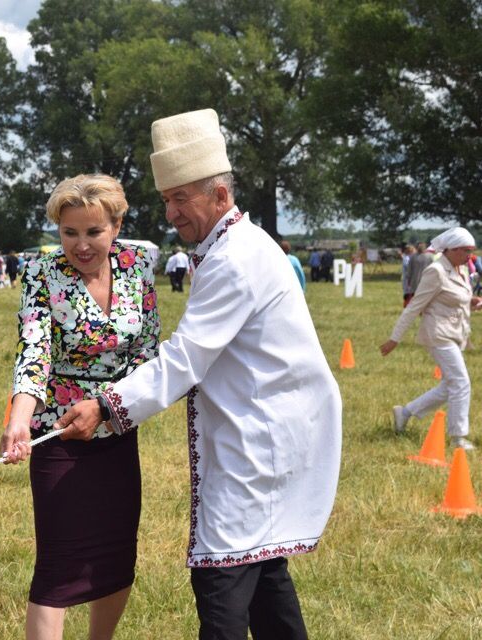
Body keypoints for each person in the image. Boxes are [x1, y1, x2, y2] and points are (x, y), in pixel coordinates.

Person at [55, 109, 341, 640]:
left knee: (221, 577)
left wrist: (104, 406)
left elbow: (185, 358)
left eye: (181, 198)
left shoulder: (235, 258)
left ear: (220, 195)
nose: (170, 213)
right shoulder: (236, 247)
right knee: (264, 571)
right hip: (260, 436)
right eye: (166, 199)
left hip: (257, 444)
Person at [0, 174, 160, 640]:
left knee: (115, 556)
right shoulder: (42, 273)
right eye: (69, 233)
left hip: (117, 428)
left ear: (116, 225)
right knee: (58, 564)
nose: (81, 245)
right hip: (59, 432)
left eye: (93, 231)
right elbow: (34, 352)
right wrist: (19, 421)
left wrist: (111, 405)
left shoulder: (138, 266)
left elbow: (147, 350)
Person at [381, 227, 481, 450]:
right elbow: (414, 306)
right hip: (438, 335)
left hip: (456, 335)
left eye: (471, 251)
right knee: (461, 382)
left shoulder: (461, 270)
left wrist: (471, 301)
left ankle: (405, 412)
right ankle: (458, 437)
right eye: (466, 250)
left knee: (450, 385)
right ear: (451, 249)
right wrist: (394, 338)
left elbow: (455, 298)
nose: (470, 255)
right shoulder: (435, 271)